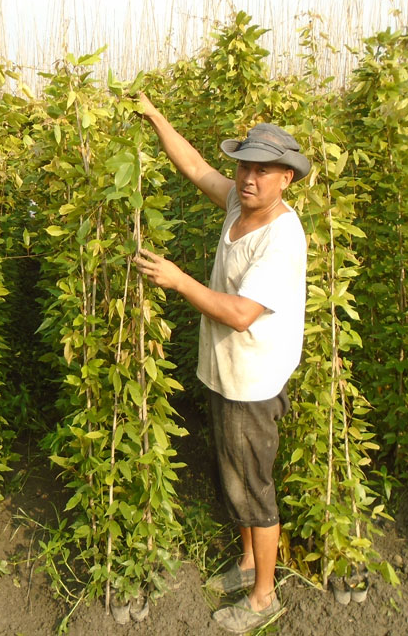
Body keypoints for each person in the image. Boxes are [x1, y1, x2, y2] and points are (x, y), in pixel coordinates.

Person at [134, 93, 309, 633]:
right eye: (244, 166)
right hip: (228, 373)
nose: (248, 177)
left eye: (263, 170)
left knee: (253, 486)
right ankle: (250, 562)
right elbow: (195, 168)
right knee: (234, 475)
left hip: (252, 382)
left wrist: (177, 280)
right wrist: (157, 115)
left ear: (287, 178)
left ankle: (263, 598)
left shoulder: (281, 238)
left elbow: (239, 313)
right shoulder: (240, 204)